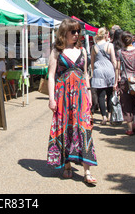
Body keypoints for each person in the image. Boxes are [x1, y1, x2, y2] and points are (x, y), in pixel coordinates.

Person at [47, 19, 97, 185]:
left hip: (81, 96)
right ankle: (67, 165)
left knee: (84, 128)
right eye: (73, 31)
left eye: (78, 31)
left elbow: (85, 74)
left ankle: (87, 171)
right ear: (64, 32)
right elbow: (51, 76)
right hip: (63, 96)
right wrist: (51, 98)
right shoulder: (56, 50)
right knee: (65, 128)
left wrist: (89, 95)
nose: (76, 34)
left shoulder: (82, 50)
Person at [117, 31, 135, 136]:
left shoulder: (120, 52)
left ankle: (129, 129)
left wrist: (116, 81)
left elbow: (117, 68)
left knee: (126, 103)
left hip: (125, 81)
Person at [91, 27, 117, 125]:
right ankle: (110, 116)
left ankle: (104, 117)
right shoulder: (110, 45)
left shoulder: (94, 47)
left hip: (98, 71)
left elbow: (92, 62)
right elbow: (113, 60)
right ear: (106, 35)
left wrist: (94, 73)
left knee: (101, 96)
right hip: (109, 70)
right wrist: (116, 72)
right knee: (110, 94)